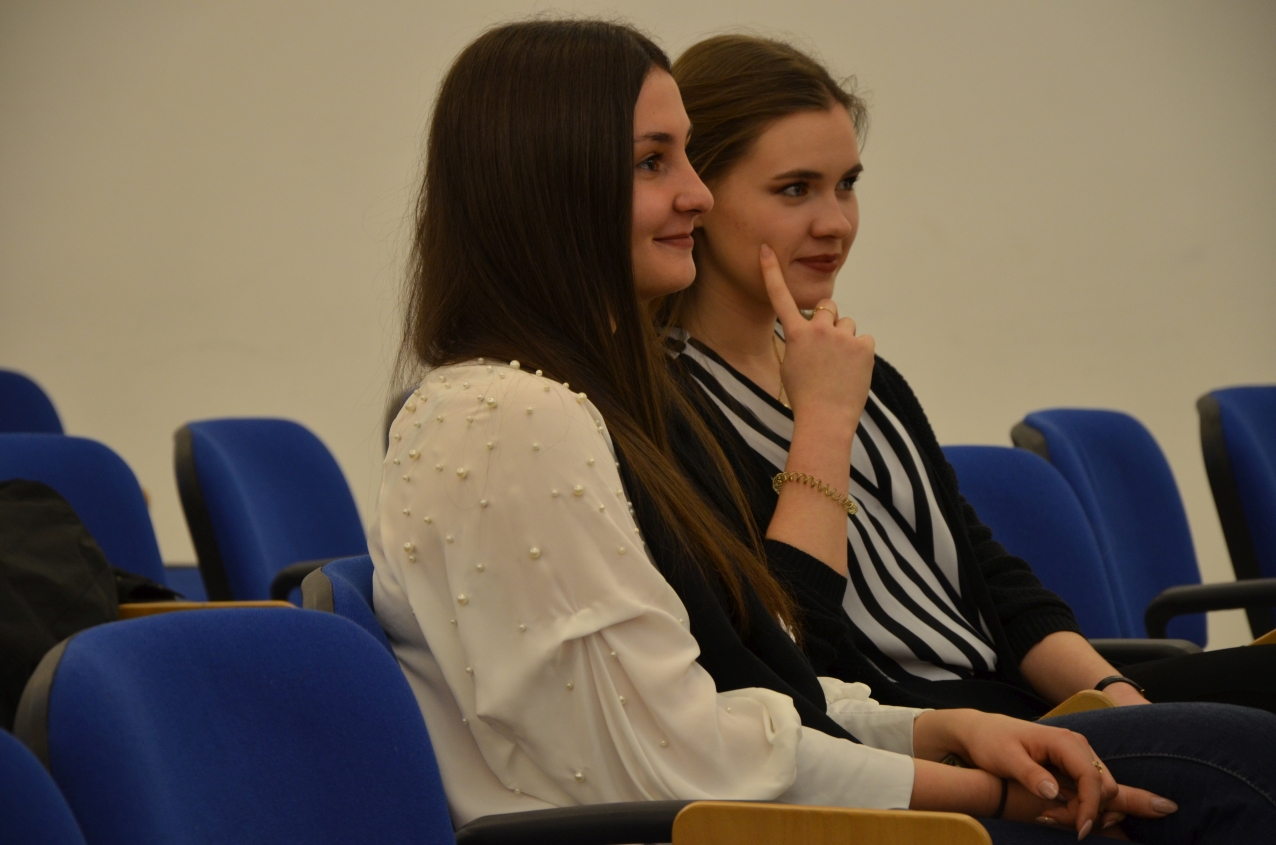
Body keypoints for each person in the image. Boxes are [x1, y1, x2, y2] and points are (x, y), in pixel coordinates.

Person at [370, 19, 1276, 843]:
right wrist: (983, 789)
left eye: (687, 158)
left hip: (786, 790)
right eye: (654, 162)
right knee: (1237, 764)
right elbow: (679, 756)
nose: (694, 195)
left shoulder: (591, 404)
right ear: (548, 184)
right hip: (723, 827)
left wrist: (941, 729)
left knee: (1232, 752)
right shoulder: (507, 416)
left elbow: (759, 685)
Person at [660, 32, 1276, 722]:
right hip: (921, 733)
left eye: (847, 185)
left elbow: (992, 580)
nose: (835, 222)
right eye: (795, 189)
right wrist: (825, 423)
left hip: (1022, 705)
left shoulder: (865, 373)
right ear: (699, 196)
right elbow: (789, 651)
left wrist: (1114, 695)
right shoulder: (667, 408)